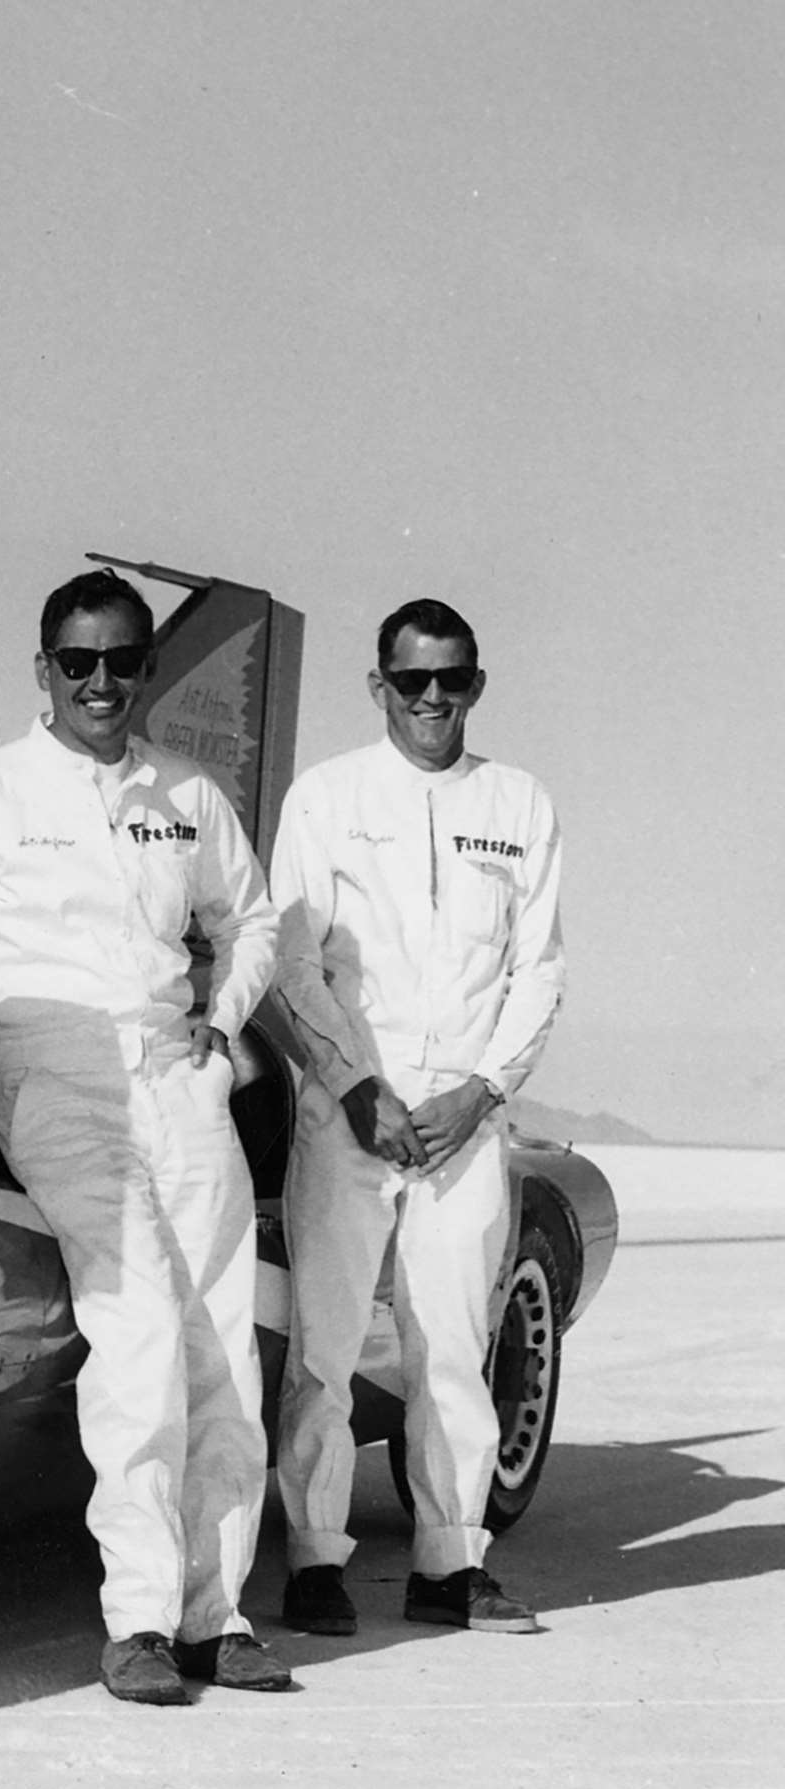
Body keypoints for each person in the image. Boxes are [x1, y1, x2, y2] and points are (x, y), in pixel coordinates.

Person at [0, 568, 288, 1705]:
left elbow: (248, 921)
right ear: (41, 669)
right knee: (138, 1323)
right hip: (49, 1074)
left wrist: (222, 1020)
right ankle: (139, 1621)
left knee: (221, 1348)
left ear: (146, 667)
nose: (100, 682)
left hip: (175, 1074)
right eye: (76, 662)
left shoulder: (184, 793)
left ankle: (216, 1614)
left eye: (121, 661)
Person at [268, 599, 564, 1637]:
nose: (430, 699)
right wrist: (355, 1086)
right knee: (325, 1346)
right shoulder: (325, 798)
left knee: (451, 1346)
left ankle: (450, 1560)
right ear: (377, 687)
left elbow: (538, 970)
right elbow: (291, 963)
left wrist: (477, 1092)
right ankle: (311, 1558)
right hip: (348, 1112)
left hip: (460, 1124)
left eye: (450, 679)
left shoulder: (518, 805)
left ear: (475, 684)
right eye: (410, 681)